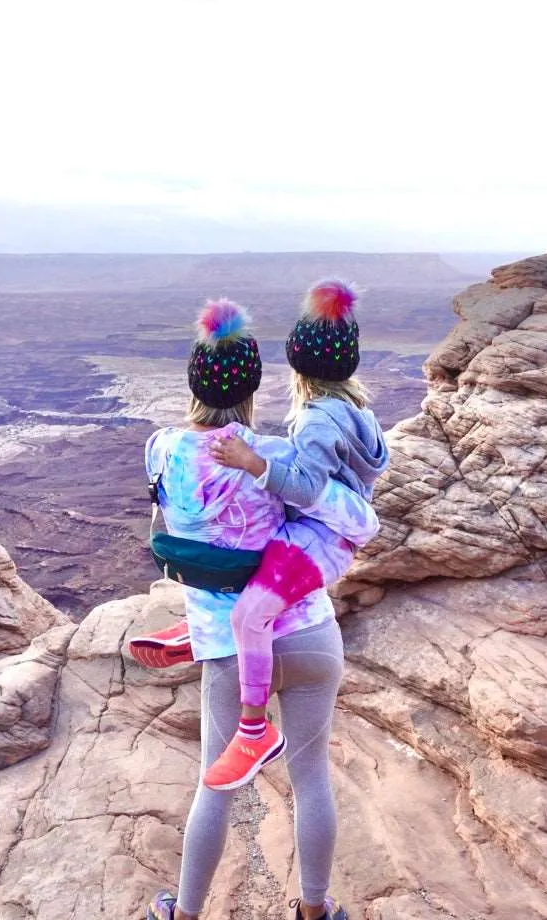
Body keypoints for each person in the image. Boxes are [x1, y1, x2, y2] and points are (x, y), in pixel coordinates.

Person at [133, 299, 377, 920]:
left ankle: (184, 915)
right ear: (254, 385)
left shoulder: (161, 450)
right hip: (310, 632)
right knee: (311, 775)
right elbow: (341, 519)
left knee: (214, 786)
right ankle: (316, 912)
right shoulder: (277, 453)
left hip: (230, 651)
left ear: (194, 379)